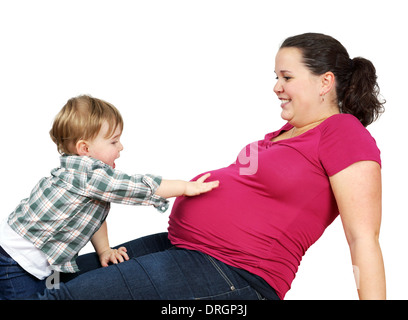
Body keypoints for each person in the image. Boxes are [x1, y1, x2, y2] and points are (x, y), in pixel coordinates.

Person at [34, 32, 385, 300]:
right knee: (49, 276)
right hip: (187, 246)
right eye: (275, 76)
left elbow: (362, 238)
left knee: (61, 296)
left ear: (325, 82)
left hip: (235, 271)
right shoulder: (284, 133)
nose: (276, 87)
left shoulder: (343, 132)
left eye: (287, 77)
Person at [0, 95, 219, 300]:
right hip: (15, 262)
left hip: (28, 262)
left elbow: (93, 217)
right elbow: (133, 186)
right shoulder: (88, 174)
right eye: (114, 142)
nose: (121, 147)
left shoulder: (88, 182)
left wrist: (104, 250)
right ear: (84, 148)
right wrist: (184, 187)